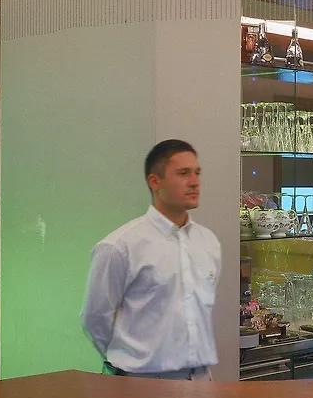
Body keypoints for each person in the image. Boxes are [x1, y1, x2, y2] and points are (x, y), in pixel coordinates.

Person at [80, 139, 221, 380]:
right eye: (183, 173)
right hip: (142, 382)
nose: (194, 182)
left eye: (197, 173)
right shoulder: (120, 246)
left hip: (200, 380)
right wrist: (130, 362)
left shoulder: (208, 242)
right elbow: (95, 319)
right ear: (155, 182)